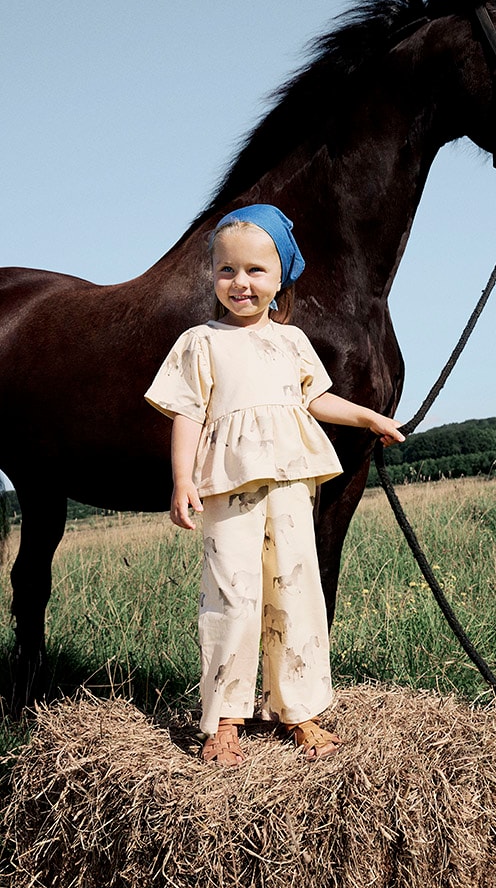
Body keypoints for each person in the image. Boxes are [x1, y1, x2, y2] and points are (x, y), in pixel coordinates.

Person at [145, 204, 404, 766]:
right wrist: (182, 479)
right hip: (227, 485)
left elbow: (315, 399)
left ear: (281, 275)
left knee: (296, 591)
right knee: (232, 595)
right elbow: (187, 413)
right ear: (213, 276)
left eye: (255, 271)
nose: (240, 283)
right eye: (226, 271)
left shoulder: (292, 343)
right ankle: (226, 717)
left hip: (289, 482)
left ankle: (299, 708)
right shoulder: (200, 343)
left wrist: (370, 417)